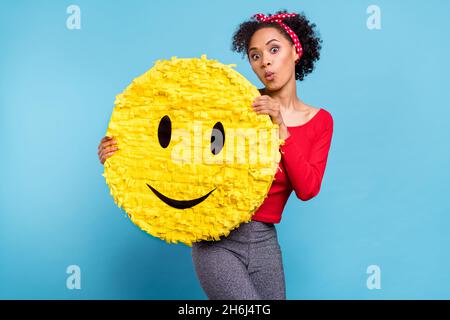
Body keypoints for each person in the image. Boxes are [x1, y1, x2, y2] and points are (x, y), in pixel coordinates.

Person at [97, 10, 333, 300]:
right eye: (255, 55)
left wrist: (280, 127)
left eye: (274, 49)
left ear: (296, 52)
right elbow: (177, 144)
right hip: (215, 241)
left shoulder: (320, 121)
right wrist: (123, 152)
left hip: (265, 242)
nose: (265, 61)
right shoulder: (236, 106)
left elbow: (308, 189)